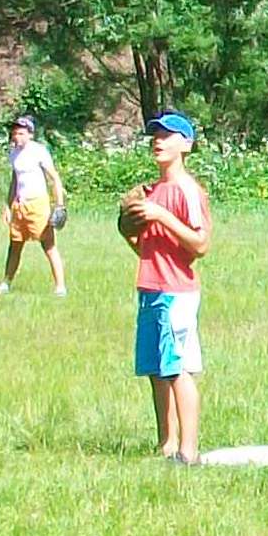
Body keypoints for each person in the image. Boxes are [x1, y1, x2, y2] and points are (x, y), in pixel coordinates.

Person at [119, 110, 212, 464]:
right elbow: (146, 248)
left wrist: (162, 216)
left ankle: (189, 451)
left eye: (167, 136)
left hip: (177, 292)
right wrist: (127, 230)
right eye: (155, 136)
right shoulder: (150, 193)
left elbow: (200, 245)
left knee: (178, 369)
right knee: (157, 370)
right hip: (150, 288)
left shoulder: (188, 191)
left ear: (186, 145)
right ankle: (167, 444)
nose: (158, 141)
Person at [0, 113, 68, 296]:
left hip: (38, 204)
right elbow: (15, 181)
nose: (17, 137)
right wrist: (8, 206)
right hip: (19, 205)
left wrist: (59, 205)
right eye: (15, 133)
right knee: (15, 245)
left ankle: (60, 286)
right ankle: (6, 282)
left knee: (48, 245)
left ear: (30, 134)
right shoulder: (14, 153)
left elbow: (54, 178)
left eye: (21, 133)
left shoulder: (39, 151)